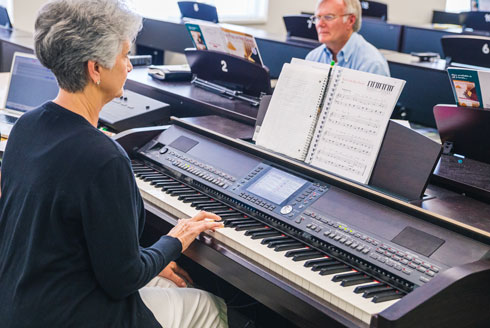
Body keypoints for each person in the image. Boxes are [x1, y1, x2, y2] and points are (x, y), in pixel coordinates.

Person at [0, 0, 228, 327]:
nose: (130, 66)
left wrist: (145, 259)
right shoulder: (104, 158)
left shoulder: (26, 125)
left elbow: (64, 234)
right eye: (124, 55)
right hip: (71, 316)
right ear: (95, 68)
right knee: (210, 306)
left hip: (19, 305)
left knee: (163, 281)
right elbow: (123, 279)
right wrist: (176, 239)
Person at [305, 0, 390, 76]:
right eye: (318, 17)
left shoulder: (372, 64)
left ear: (350, 21)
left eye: (328, 17)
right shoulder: (313, 58)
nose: (320, 24)